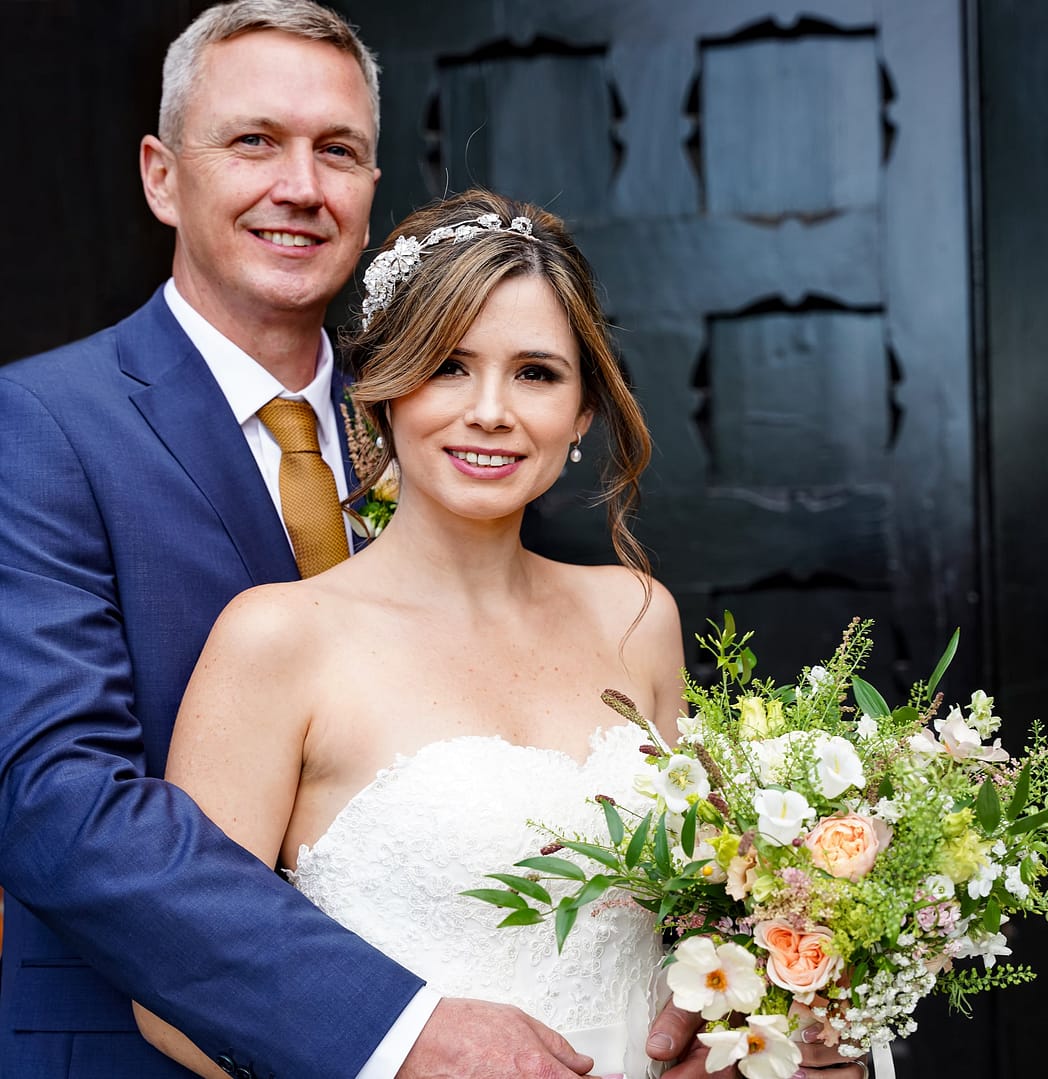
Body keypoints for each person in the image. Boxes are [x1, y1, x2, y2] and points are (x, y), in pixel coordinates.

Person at [0, 5, 636, 1078]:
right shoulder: (39, 424)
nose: (300, 185)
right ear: (161, 175)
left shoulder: (446, 420)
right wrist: (393, 1028)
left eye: (336, 150)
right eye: (254, 141)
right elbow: (56, 796)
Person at [132, 188, 870, 1079]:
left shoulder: (636, 613)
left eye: (536, 372)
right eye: (448, 365)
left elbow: (711, 909)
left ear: (583, 412)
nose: (491, 410)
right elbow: (176, 988)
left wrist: (754, 1011)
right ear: (382, 391)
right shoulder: (280, 638)